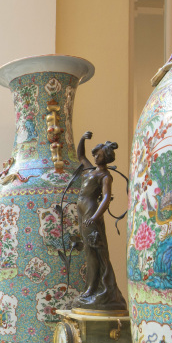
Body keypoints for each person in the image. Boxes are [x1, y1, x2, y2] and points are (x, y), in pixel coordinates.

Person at [73, 131, 127, 312]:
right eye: (95, 154)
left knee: (94, 251)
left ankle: (96, 288)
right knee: (89, 250)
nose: (96, 157)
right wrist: (82, 139)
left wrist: (95, 217)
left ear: (107, 157)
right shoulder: (90, 170)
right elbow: (81, 156)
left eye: (100, 155)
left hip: (90, 211)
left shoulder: (105, 176)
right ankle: (92, 288)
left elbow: (105, 198)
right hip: (83, 211)